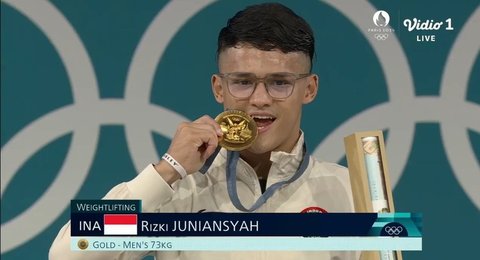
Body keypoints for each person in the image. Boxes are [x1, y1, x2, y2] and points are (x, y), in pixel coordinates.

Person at [49, 3, 355, 260]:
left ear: (310, 89)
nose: (260, 99)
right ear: (219, 88)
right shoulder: (180, 190)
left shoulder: (351, 192)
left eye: (280, 82)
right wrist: (167, 170)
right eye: (243, 81)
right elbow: (68, 253)